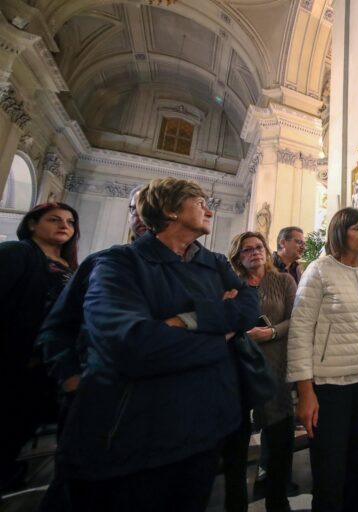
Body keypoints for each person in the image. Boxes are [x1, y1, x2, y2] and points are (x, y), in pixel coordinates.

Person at [56, 177, 260, 512]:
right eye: (199, 202)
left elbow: (248, 306)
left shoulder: (214, 263)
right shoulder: (116, 264)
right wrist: (220, 336)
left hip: (206, 429)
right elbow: (133, 345)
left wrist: (186, 322)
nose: (210, 209)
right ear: (169, 210)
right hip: (137, 436)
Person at [36, 185, 147, 511]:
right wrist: (71, 378)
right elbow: (57, 328)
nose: (139, 216)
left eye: (150, 207)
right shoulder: (103, 262)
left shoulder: (196, 271)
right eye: (134, 208)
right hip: (96, 403)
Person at [287, 207, 358, 512]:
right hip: (330, 384)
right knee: (329, 469)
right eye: (357, 229)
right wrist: (305, 390)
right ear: (340, 232)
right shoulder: (319, 270)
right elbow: (299, 331)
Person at [0, 202, 80, 493]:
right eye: (54, 220)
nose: (64, 226)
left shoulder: (70, 266)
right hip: (13, 354)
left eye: (70, 222)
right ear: (32, 224)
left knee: (21, 423)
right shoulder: (18, 252)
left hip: (46, 360)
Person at [229, 231, 297, 512]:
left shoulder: (283, 281)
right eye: (247, 249)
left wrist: (269, 332)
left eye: (259, 247)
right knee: (235, 443)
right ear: (237, 257)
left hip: (274, 367)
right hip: (238, 369)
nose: (255, 252)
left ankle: (277, 502)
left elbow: (297, 320)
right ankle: (235, 504)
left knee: (279, 440)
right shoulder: (231, 285)